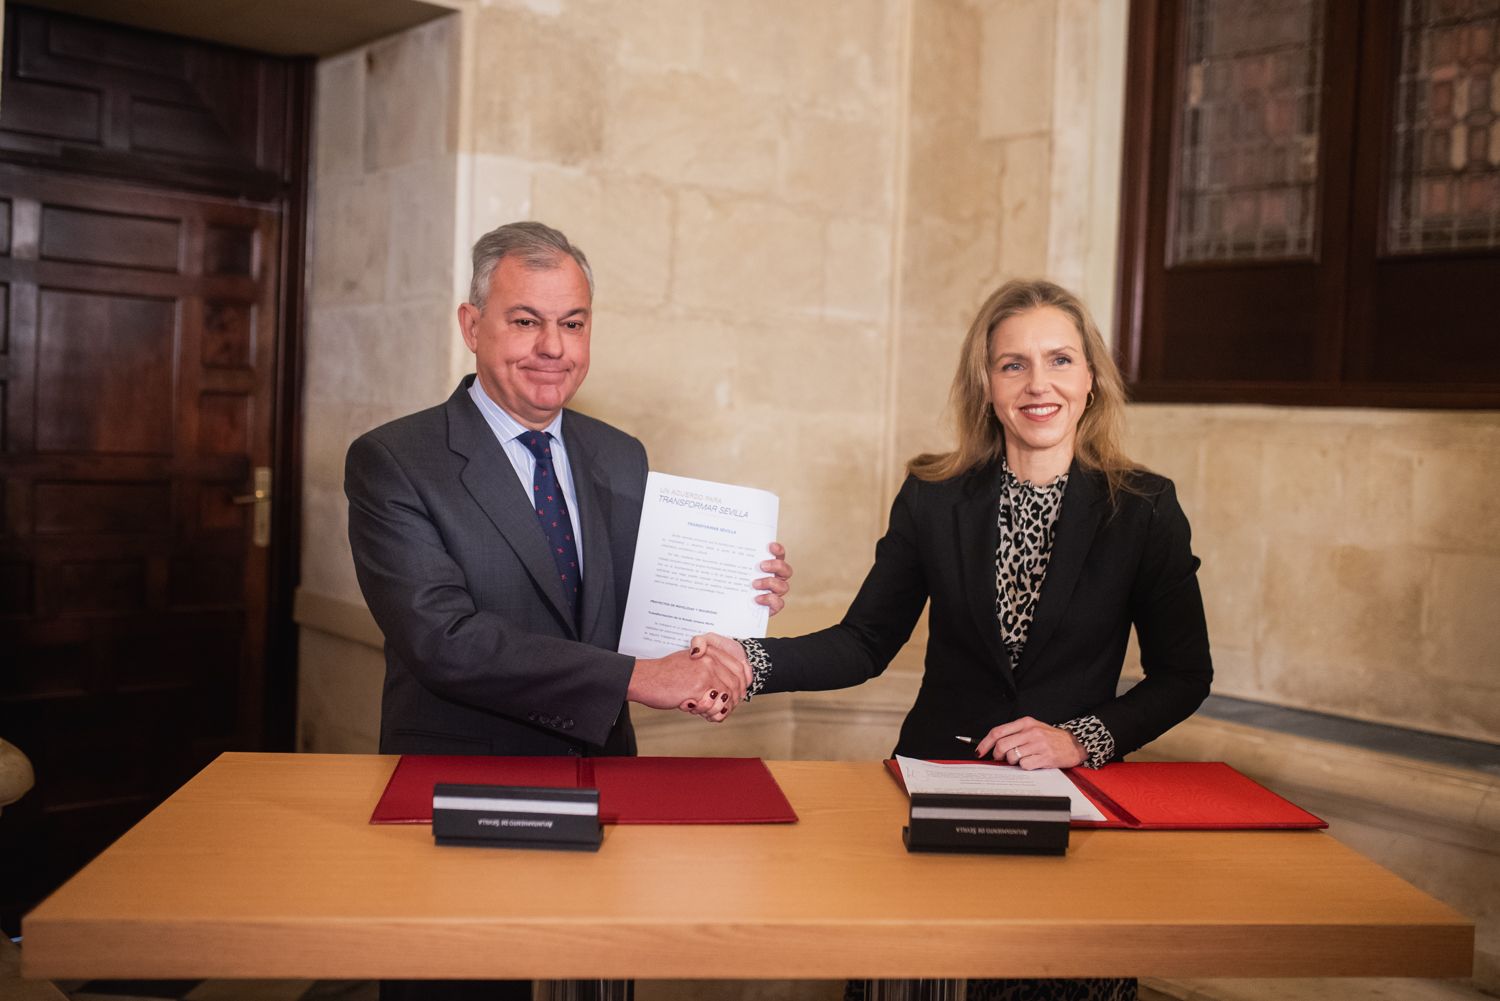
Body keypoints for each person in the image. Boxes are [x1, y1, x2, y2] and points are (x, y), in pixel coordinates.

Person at [696, 278, 1212, 1001]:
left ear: (1091, 378)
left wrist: (1080, 737)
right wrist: (746, 660)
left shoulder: (1145, 508)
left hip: (1070, 810)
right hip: (936, 791)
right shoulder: (932, 495)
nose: (1040, 384)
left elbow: (1184, 674)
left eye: (1060, 360)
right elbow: (864, 641)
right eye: (1014, 364)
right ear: (987, 383)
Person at [345, 221, 791, 1001]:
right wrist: (641, 676)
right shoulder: (395, 461)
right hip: (465, 792)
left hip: (604, 782)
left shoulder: (620, 453)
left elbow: (630, 613)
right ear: (470, 326)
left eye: (573, 323)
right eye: (526, 320)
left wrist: (730, 606)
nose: (553, 346)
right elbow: (443, 639)